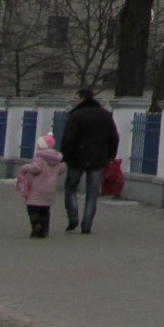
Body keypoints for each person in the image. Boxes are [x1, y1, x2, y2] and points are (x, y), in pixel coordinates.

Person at [58, 87, 118, 235]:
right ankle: (87, 225)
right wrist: (110, 156)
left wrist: (65, 156)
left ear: (82, 99)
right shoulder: (105, 115)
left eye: (76, 98)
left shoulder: (76, 116)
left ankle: (73, 217)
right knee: (92, 194)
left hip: (77, 159)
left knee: (70, 187)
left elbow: (68, 139)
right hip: (98, 160)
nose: (75, 101)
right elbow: (114, 138)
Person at [14, 133, 64, 239]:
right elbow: (61, 169)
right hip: (50, 189)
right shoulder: (56, 159)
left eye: (38, 145)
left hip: (37, 188)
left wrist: (24, 168)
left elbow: (35, 168)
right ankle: (44, 230)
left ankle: (36, 223)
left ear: (41, 146)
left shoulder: (40, 158)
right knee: (45, 210)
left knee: (32, 207)